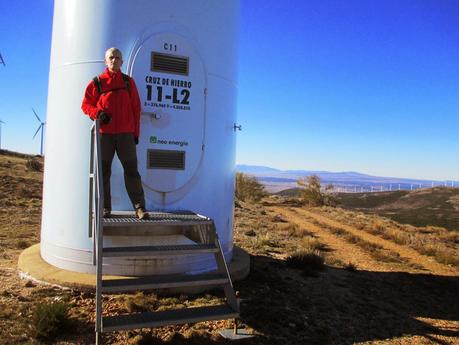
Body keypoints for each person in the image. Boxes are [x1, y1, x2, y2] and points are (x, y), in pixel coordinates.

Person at [81, 47, 148, 220]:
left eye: (117, 57)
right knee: (103, 172)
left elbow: (136, 108)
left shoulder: (128, 82)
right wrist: (97, 113)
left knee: (132, 171)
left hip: (126, 134)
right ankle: (105, 208)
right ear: (105, 61)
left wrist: (135, 133)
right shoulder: (97, 82)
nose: (114, 60)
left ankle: (140, 208)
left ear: (122, 62)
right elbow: (86, 105)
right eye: (111, 57)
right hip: (105, 135)